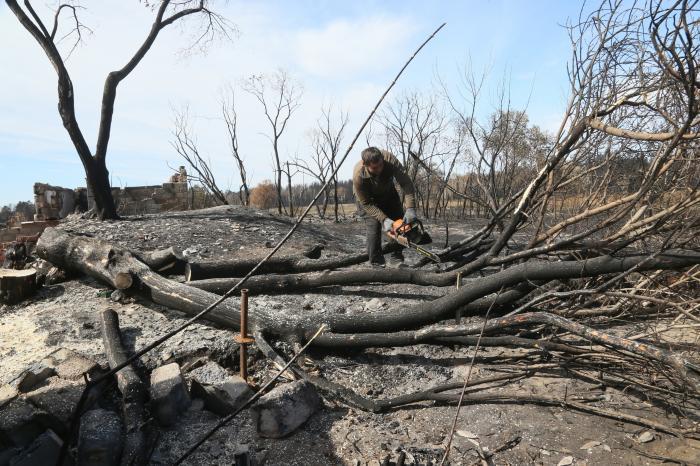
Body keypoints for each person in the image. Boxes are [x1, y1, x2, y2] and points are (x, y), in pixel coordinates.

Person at [353, 147, 418, 267]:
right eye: (374, 168)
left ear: (382, 159)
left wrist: (410, 208)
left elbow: (406, 183)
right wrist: (384, 219)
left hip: (388, 194)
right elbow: (366, 204)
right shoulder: (358, 176)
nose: (379, 169)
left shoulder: (390, 161)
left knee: (398, 223)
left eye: (381, 165)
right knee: (374, 228)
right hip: (368, 201)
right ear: (365, 165)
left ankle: (396, 259)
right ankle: (377, 263)